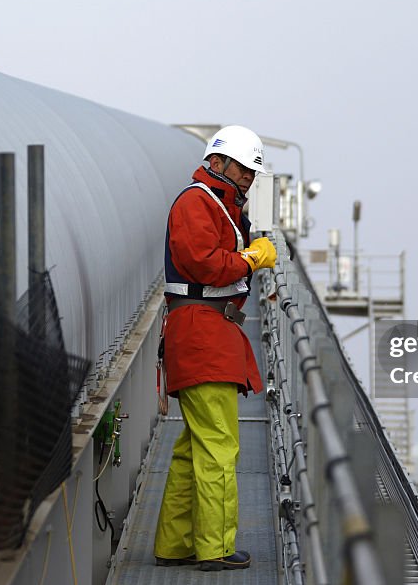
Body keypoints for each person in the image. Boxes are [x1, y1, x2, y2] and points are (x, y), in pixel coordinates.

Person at [153, 125, 277, 572]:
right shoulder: (196, 202)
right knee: (220, 447)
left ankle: (175, 543)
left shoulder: (216, 204)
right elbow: (203, 263)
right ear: (219, 161)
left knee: (195, 446)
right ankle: (215, 548)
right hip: (203, 332)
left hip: (204, 331)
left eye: (251, 172)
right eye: (243, 168)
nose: (247, 177)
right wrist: (250, 258)